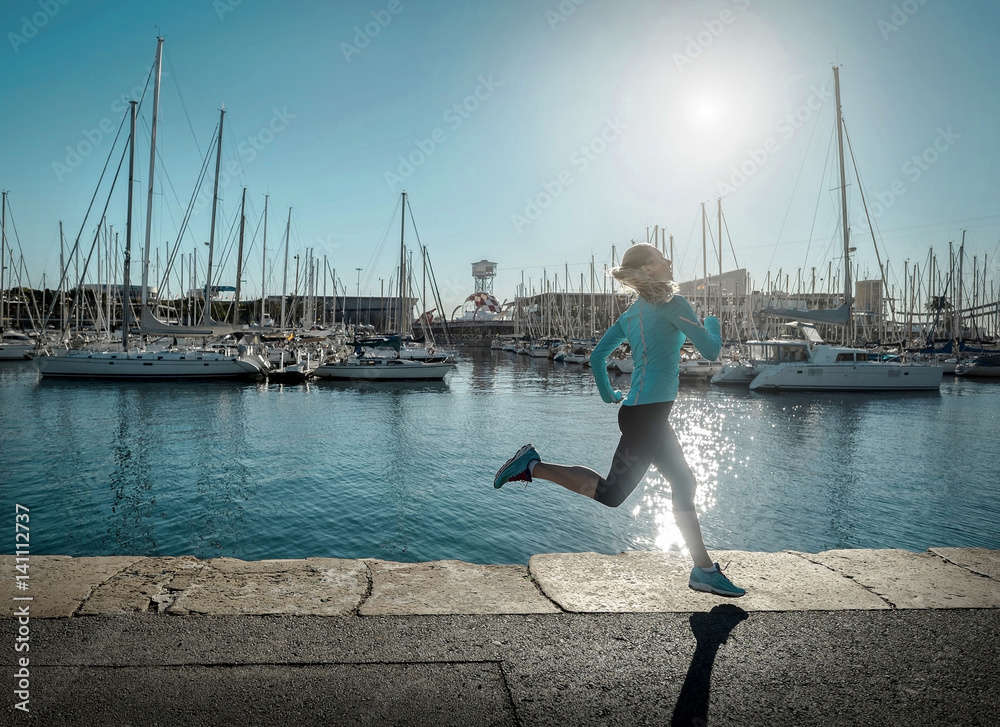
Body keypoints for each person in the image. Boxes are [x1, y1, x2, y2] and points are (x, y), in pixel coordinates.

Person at [493, 243, 745, 597]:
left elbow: (598, 358)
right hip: (647, 417)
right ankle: (532, 465)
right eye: (661, 258)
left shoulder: (632, 314)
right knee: (613, 494)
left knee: (684, 483)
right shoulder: (674, 304)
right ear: (647, 269)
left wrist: (609, 394)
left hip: (644, 413)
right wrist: (713, 324)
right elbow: (711, 350)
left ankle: (703, 570)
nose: (669, 261)